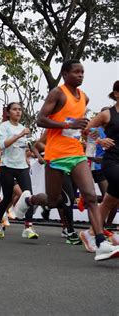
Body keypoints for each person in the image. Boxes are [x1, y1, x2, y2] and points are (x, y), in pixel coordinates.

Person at [20, 60, 119, 261]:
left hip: (76, 153)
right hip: (56, 154)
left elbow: (81, 127)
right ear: (65, 74)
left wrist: (94, 136)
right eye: (76, 72)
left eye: (82, 72)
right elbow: (40, 119)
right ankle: (29, 199)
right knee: (53, 200)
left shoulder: (84, 97)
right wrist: (69, 123)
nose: (81, 75)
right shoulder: (57, 93)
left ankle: (100, 242)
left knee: (90, 196)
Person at [0, 102, 40, 239]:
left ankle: (28, 227)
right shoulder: (4, 126)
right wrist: (20, 135)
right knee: (7, 197)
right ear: (8, 112)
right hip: (7, 166)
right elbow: (2, 145)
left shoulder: (23, 128)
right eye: (14, 109)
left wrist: (31, 153)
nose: (18, 112)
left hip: (22, 167)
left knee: (28, 196)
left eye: (20, 110)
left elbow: (25, 147)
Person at [81, 80, 119, 251]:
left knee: (109, 200)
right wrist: (99, 140)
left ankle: (90, 232)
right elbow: (87, 129)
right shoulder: (107, 114)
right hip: (111, 161)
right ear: (116, 94)